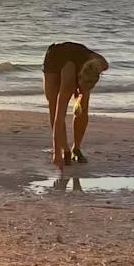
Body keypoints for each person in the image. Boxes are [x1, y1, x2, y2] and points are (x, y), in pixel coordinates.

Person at [42, 41, 108, 170]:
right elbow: (59, 116)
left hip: (79, 58)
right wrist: (56, 152)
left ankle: (76, 148)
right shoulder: (69, 81)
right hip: (54, 57)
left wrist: (83, 92)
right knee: (54, 105)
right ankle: (65, 149)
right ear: (78, 79)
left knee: (82, 106)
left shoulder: (99, 66)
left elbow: (99, 65)